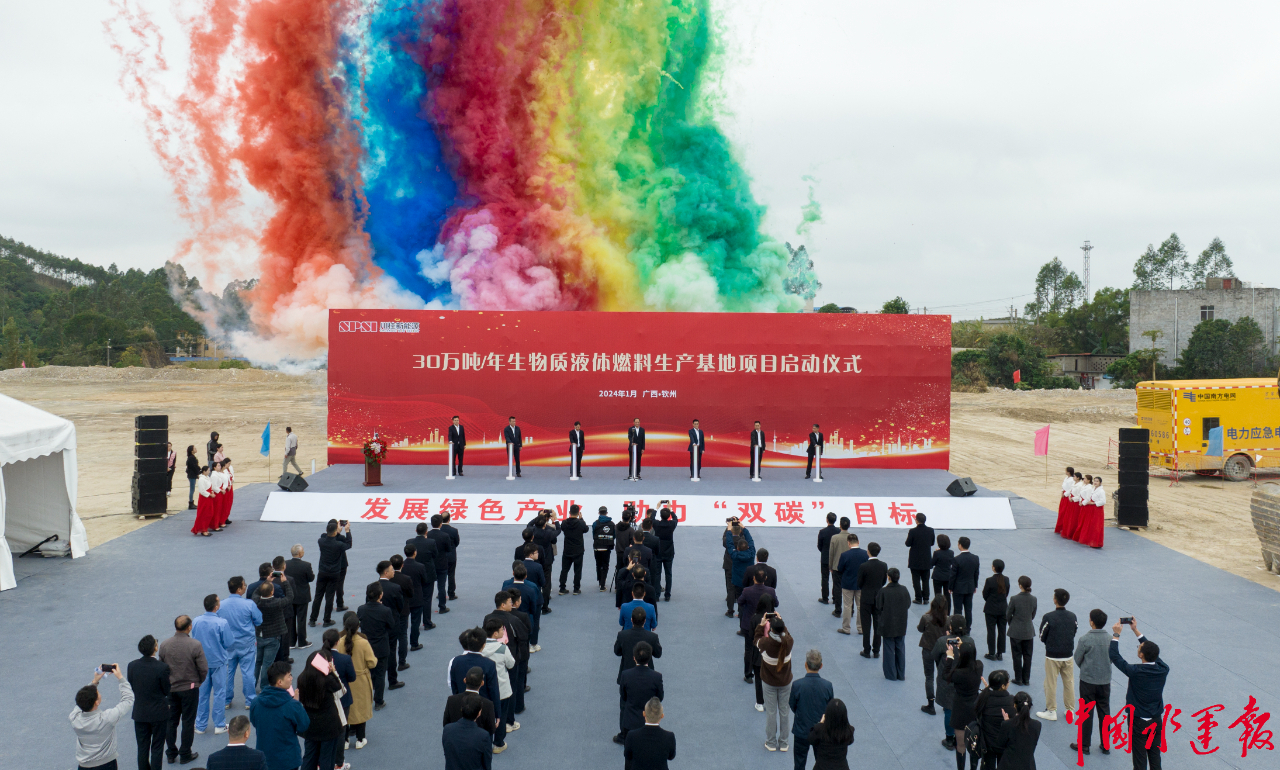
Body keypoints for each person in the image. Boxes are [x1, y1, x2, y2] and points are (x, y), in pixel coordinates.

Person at [1108, 618, 1169, 770]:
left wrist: (1116, 634)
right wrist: (1136, 631)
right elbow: (1153, 652)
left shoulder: (1135, 672)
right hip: (1156, 719)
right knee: (1155, 756)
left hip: (1139, 721)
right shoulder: (1163, 669)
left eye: (1139, 647)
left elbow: (1115, 656)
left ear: (1141, 655)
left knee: (1139, 759)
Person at [159, 615, 206, 766]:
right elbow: (203, 669)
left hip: (171, 690)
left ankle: (171, 753)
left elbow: (161, 668)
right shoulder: (195, 645)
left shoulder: (165, 645)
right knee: (188, 721)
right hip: (190, 689)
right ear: (189, 627)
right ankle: (185, 753)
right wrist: (197, 682)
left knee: (171, 722)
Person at [72, 664, 134, 770]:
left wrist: (95, 681)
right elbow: (128, 699)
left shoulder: (74, 717)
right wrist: (120, 678)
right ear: (96, 702)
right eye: (98, 693)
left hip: (83, 766)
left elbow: (82, 699)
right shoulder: (107, 718)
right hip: (107, 765)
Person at [248, 662, 309, 770]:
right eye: (289, 675)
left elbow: (254, 721)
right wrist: (297, 705)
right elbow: (303, 725)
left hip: (265, 759)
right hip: (288, 760)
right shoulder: (292, 705)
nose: (291, 678)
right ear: (279, 682)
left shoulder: (256, 702)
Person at [1072, 609, 1113, 756]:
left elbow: (1077, 658)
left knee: (1086, 712)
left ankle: (1084, 745)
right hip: (1104, 681)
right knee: (1104, 712)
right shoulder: (1110, 639)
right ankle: (1106, 744)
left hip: (1088, 681)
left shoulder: (1085, 639)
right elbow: (1113, 658)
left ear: (1091, 622)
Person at [219, 577, 264, 710]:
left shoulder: (221, 605)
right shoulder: (249, 604)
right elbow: (259, 620)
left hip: (228, 645)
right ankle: (250, 700)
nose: (246, 587)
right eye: (244, 585)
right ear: (239, 589)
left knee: (228, 672)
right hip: (246, 644)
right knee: (248, 672)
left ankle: (226, 700)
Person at [128, 634, 171, 770]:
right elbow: (166, 690)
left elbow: (132, 686)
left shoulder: (132, 666)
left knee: (142, 747)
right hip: (159, 713)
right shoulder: (162, 667)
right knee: (157, 748)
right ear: (155, 648)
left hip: (140, 713)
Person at [191, 595, 233, 736]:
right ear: (216, 607)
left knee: (202, 694)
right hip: (218, 662)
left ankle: (200, 725)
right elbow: (228, 642)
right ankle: (219, 725)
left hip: (201, 663)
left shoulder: (196, 621)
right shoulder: (222, 623)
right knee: (220, 693)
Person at [1034, 588, 1077, 723]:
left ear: (1055, 600)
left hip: (1052, 655)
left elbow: (1042, 636)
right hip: (1068, 655)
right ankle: (1070, 709)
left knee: (1051, 683)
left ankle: (1051, 710)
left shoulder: (1048, 617)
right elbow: (1074, 631)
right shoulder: (1072, 616)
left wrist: (1051, 643)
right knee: (1069, 682)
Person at [933, 615, 975, 751]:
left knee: (949, 709)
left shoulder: (942, 641)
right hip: (963, 679)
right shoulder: (970, 641)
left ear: (951, 627)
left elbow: (935, 655)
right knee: (962, 709)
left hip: (947, 680)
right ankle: (960, 738)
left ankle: (949, 738)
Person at [296, 649, 343, 770]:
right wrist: (332, 672)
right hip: (329, 725)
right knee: (327, 759)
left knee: (309, 757)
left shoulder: (301, 679)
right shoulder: (327, 680)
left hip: (310, 724)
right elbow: (338, 687)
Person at [788, 649, 833, 770]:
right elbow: (830, 708)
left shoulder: (797, 685)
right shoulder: (827, 686)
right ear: (821, 666)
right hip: (821, 731)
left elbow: (792, 705)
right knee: (822, 763)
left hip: (801, 730)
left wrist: (802, 714)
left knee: (799, 764)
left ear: (805, 664)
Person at [756, 613, 794, 752]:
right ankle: (784, 743)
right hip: (785, 682)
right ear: (783, 628)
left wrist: (761, 626)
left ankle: (771, 743)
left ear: (770, 629)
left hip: (769, 683)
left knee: (771, 713)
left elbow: (756, 640)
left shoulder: (765, 643)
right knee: (784, 712)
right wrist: (781, 622)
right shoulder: (789, 642)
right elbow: (787, 635)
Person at [944, 640, 984, 770]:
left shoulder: (959, 674)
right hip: (974, 708)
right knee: (974, 743)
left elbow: (946, 675)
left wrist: (950, 656)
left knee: (960, 744)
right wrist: (963, 645)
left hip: (960, 709)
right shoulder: (979, 666)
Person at [357, 581, 396, 710]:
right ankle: (378, 701)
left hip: (367, 646)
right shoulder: (385, 610)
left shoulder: (361, 609)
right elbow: (391, 626)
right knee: (380, 674)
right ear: (380, 595)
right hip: (381, 647)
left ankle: (367, 698)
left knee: (368, 673)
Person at [252, 576, 295, 692]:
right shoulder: (277, 603)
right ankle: (264, 686)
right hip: (273, 637)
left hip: (260, 635)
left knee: (258, 662)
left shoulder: (257, 601)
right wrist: (285, 582)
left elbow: (256, 593)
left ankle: (252, 685)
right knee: (267, 663)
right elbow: (290, 597)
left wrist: (266, 581)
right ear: (272, 591)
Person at [339, 613, 376, 749]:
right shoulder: (363, 642)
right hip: (360, 679)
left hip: (344, 680)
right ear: (358, 627)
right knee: (361, 708)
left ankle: (345, 740)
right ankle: (360, 739)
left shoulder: (340, 641)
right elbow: (372, 662)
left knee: (346, 710)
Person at [480, 619, 517, 751]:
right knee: (500, 715)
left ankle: (485, 742)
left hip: (484, 690)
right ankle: (498, 743)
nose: (503, 631)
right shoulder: (502, 648)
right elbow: (511, 664)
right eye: (502, 629)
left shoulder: (480, 648)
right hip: (502, 689)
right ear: (495, 633)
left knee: (485, 716)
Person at [319, 630, 354, 770]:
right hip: (341, 700)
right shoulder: (344, 659)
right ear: (338, 642)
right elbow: (352, 678)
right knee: (340, 732)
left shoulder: (316, 658)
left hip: (322, 701)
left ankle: (322, 762)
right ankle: (339, 763)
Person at [616, 642, 663, 744]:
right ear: (650, 658)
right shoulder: (657, 677)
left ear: (634, 658)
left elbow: (623, 696)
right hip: (649, 721)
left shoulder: (625, 675)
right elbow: (660, 698)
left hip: (630, 722)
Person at [447, 628, 502, 712]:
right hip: (483, 708)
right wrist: (497, 713)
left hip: (462, 706)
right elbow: (493, 691)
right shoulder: (489, 664)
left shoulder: (456, 661)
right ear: (484, 645)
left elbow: (454, 685)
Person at [312, 520, 351, 628]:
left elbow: (325, 536)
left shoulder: (321, 541)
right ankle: (326, 619)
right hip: (334, 572)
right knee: (329, 596)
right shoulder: (338, 544)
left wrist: (335, 531)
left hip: (322, 571)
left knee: (318, 595)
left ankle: (312, 619)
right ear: (335, 532)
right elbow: (348, 544)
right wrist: (347, 531)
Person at [876, 567, 913, 681]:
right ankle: (901, 674)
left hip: (887, 624)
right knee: (900, 648)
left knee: (888, 649)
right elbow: (908, 604)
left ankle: (891, 674)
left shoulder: (884, 591)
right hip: (901, 623)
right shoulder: (904, 589)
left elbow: (878, 606)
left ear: (889, 578)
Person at [990, 691, 1041, 770]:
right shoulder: (1037, 725)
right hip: (1028, 766)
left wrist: (1007, 721)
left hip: (1008, 765)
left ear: (1014, 705)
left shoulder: (1007, 725)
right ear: (1030, 707)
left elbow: (1000, 745)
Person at [977, 670, 1016, 770]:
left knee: (987, 766)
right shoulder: (1011, 701)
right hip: (1004, 743)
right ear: (1003, 686)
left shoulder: (984, 697)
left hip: (987, 742)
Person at [624, 698, 677, 770]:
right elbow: (671, 757)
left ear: (644, 713)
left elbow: (628, 756)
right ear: (662, 716)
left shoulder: (631, 736)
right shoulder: (669, 737)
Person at [442, 698, 494, 770]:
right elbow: (487, 763)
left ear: (461, 709)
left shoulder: (447, 729)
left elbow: (447, 753)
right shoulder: (483, 736)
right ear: (479, 713)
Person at [918, 595, 949, 715]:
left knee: (929, 677)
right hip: (942, 651)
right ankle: (945, 703)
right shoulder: (948, 620)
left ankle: (931, 705)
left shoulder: (926, 618)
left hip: (928, 649)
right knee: (942, 676)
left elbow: (920, 629)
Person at [856, 542, 888, 658]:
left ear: (868, 551)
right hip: (878, 598)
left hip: (866, 598)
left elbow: (859, 583)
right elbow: (884, 581)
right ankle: (876, 650)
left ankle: (866, 650)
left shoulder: (863, 566)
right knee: (877, 625)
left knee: (866, 625)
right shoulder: (884, 565)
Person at [444, 668, 496, 737]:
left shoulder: (451, 700)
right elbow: (491, 729)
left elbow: (446, 724)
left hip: (456, 741)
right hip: (478, 743)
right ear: (482, 683)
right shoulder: (488, 704)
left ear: (465, 680)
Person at [616, 607, 663, 682]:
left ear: (631, 620)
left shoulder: (622, 635)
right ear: (645, 621)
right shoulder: (652, 637)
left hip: (627, 673)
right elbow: (658, 654)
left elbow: (617, 652)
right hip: (648, 676)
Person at [1006, 577, 1038, 687]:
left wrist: (1013, 624)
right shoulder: (1034, 599)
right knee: (1028, 656)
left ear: (1020, 585)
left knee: (1017, 655)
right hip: (1028, 631)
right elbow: (1033, 615)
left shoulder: (1014, 599)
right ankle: (1026, 679)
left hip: (1015, 632)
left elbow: (1008, 614)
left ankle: (1018, 678)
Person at [385, 557, 414, 675]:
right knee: (402, 635)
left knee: (389, 638)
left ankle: (389, 662)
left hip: (389, 612)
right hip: (402, 611)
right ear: (402, 565)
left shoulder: (387, 580)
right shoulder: (406, 579)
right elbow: (411, 594)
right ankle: (402, 662)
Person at [808, 698, 855, 770]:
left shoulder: (820, 729)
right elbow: (850, 741)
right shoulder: (848, 731)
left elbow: (811, 739)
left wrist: (820, 723)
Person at [833, 534, 866, 635]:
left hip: (847, 583)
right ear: (858, 542)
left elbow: (839, 568)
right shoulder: (865, 554)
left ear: (848, 543)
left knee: (847, 606)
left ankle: (846, 628)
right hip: (860, 584)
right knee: (861, 606)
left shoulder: (844, 555)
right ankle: (861, 628)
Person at [283, 545, 314, 651]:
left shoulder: (286, 564)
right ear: (300, 554)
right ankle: (302, 642)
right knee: (301, 619)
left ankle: (291, 642)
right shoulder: (306, 565)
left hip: (290, 596)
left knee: (290, 619)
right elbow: (311, 578)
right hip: (302, 596)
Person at [401, 544, 431, 650]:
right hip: (416, 597)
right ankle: (414, 643)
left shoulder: (401, 566)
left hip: (404, 598)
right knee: (415, 622)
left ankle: (402, 643)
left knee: (403, 622)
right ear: (415, 552)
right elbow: (425, 580)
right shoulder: (420, 566)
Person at [409, 523, 439, 625]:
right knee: (427, 598)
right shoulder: (431, 542)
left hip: (413, 573)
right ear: (426, 532)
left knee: (413, 596)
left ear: (415, 530)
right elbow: (435, 555)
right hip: (428, 573)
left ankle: (414, 622)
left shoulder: (409, 542)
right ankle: (427, 622)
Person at [904, 513, 936, 604]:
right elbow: (932, 543)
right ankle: (926, 598)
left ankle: (918, 598)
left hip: (915, 559)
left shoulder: (913, 531)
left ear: (916, 520)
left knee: (916, 580)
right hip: (926, 559)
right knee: (926, 580)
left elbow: (908, 543)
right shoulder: (930, 530)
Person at [982, 560, 1010, 661]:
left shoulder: (989, 580)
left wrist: (990, 601)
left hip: (991, 609)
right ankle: (1000, 653)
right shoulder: (1006, 579)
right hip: (1003, 609)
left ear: (993, 568)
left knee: (991, 631)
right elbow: (1006, 593)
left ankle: (992, 653)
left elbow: (985, 594)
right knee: (1002, 631)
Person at [558, 504, 589, 595]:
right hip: (578, 550)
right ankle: (576, 589)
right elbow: (586, 529)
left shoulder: (564, 523)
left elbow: (562, 528)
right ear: (578, 513)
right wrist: (581, 519)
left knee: (564, 569)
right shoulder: (580, 523)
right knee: (577, 570)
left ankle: (562, 588)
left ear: (569, 512)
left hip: (567, 550)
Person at [950, 537, 980, 631]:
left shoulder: (957, 559)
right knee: (968, 609)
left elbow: (953, 575)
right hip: (970, 587)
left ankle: (957, 628)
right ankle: (967, 628)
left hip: (958, 588)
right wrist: (975, 585)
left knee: (958, 610)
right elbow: (976, 573)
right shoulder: (975, 558)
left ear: (960, 545)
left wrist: (950, 587)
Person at [427, 515, 454, 614]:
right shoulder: (445, 536)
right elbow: (448, 549)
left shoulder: (428, 534)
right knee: (441, 586)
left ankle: (426, 607)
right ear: (440, 524)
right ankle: (442, 607)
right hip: (442, 564)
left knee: (428, 587)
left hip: (430, 564)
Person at [726, 533, 756, 617]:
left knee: (739, 597)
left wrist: (729, 531)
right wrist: (744, 529)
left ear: (737, 548)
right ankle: (745, 612)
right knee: (748, 597)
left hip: (738, 582)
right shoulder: (751, 554)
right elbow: (751, 541)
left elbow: (729, 544)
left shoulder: (735, 555)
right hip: (749, 581)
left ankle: (740, 612)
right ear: (748, 547)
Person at [827, 517, 851, 617]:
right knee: (850, 588)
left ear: (840, 525)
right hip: (849, 567)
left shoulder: (835, 538)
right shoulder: (852, 537)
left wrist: (830, 566)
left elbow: (831, 553)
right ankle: (851, 610)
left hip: (837, 566)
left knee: (837, 588)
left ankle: (838, 610)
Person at [654, 506, 678, 600]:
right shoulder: (672, 524)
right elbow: (675, 518)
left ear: (660, 516)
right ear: (669, 516)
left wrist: (657, 507)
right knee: (668, 574)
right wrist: (671, 509)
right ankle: (667, 595)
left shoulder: (656, 524)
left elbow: (651, 518)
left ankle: (657, 595)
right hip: (669, 552)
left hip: (658, 552)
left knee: (657, 574)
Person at [1076, 476, 1106, 549]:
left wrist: (1094, 503)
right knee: (1091, 525)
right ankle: (1091, 540)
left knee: (1096, 525)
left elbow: (1103, 501)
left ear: (1100, 483)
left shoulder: (1101, 491)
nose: (1095, 482)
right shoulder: (1093, 489)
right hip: (1092, 509)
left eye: (1097, 481)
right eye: (1095, 481)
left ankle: (1096, 542)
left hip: (1097, 510)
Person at [816, 513, 839, 605]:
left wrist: (824, 552)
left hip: (825, 557)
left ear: (827, 520)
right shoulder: (838, 531)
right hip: (836, 558)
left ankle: (825, 598)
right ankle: (835, 597)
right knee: (836, 579)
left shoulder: (822, 532)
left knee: (825, 578)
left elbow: (819, 546)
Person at [592, 506, 616, 591]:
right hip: (607, 548)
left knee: (598, 564)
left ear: (599, 513)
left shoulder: (595, 523)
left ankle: (600, 581)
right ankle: (603, 585)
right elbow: (614, 535)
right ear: (606, 513)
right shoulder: (612, 524)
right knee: (605, 565)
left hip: (597, 547)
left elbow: (593, 534)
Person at [931, 534, 956, 614]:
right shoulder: (951, 553)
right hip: (948, 576)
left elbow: (932, 563)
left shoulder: (937, 553)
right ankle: (947, 612)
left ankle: (937, 612)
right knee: (947, 596)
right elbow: (952, 562)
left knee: (938, 595)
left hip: (937, 576)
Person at [441, 511, 461, 601]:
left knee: (441, 576)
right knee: (451, 575)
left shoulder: (438, 531)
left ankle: (441, 593)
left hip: (441, 557)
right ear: (449, 519)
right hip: (451, 556)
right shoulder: (454, 530)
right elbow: (457, 542)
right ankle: (451, 594)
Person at [191, 466, 214, 536]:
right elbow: (202, 490)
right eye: (208, 470)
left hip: (208, 497)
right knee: (204, 513)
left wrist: (212, 491)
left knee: (209, 513)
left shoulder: (207, 478)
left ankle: (205, 528)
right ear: (204, 471)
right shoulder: (201, 479)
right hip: (204, 499)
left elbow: (210, 486)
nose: (209, 471)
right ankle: (203, 530)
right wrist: (210, 494)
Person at [1054, 467, 1076, 536]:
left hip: (1067, 497)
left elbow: (1071, 489)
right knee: (1061, 511)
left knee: (1065, 512)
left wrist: (1065, 494)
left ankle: (1063, 528)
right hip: (1063, 495)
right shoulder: (1066, 478)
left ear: (1069, 472)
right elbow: (1063, 486)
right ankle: (1059, 527)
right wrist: (1062, 492)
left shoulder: (1071, 480)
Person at [185, 446, 201, 510]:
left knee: (192, 489)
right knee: (192, 489)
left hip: (192, 474)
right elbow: (194, 467)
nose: (196, 449)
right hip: (192, 475)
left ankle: (191, 502)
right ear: (191, 451)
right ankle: (191, 503)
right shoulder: (191, 458)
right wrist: (198, 473)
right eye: (194, 448)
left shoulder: (191, 457)